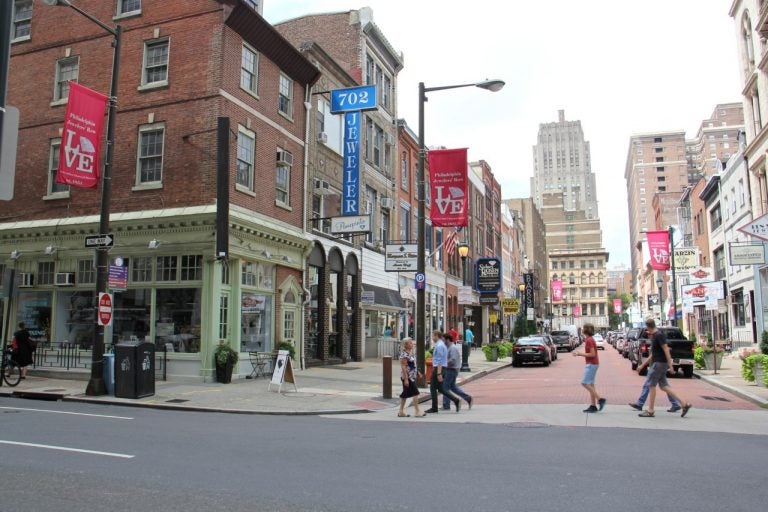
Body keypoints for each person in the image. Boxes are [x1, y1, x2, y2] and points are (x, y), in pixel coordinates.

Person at [638, 319, 692, 418]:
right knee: (664, 386)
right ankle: (684, 403)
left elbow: (666, 349)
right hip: (661, 364)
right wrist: (643, 365)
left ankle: (650, 410)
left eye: (647, 329)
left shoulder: (658, 335)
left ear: (648, 327)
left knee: (651, 385)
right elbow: (653, 354)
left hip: (658, 364)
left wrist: (670, 365)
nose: (647, 331)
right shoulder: (656, 336)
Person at [572, 323, 606, 413]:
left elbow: (592, 354)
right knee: (591, 384)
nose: (582, 329)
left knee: (584, 383)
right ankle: (593, 405)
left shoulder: (589, 340)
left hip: (592, 364)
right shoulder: (589, 339)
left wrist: (579, 354)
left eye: (583, 328)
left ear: (586, 330)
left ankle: (600, 399)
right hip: (593, 363)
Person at [425, 330, 460, 414]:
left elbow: (440, 360)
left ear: (437, 336)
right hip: (441, 368)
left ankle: (434, 408)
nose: (432, 338)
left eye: (433, 336)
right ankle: (456, 400)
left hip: (438, 368)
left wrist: (439, 373)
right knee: (441, 389)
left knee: (433, 388)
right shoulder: (441, 345)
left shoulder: (440, 346)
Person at [442, 333, 473, 410]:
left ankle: (446, 405)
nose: (442, 341)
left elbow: (453, 360)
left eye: (443, 339)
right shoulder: (448, 347)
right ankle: (468, 398)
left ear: (447, 339)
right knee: (453, 387)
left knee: (445, 388)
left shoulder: (452, 348)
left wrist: (444, 363)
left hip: (451, 369)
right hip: (451, 369)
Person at [397, 338, 425, 418]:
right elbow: (404, 367)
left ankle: (401, 411)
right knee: (416, 393)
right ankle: (417, 411)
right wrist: (406, 379)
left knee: (405, 394)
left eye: (411, 343)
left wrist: (418, 372)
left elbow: (413, 365)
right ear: (405, 345)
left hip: (412, 376)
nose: (412, 344)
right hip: (407, 377)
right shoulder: (404, 354)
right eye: (410, 343)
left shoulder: (411, 353)